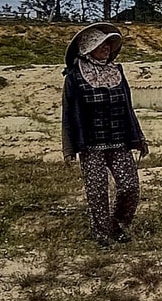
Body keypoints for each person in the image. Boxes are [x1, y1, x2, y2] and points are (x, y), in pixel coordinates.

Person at [61, 22, 148, 247]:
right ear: (89, 47)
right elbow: (69, 113)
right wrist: (69, 147)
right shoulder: (74, 75)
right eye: (102, 45)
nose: (107, 48)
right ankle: (101, 234)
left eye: (109, 45)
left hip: (119, 141)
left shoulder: (116, 72)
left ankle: (117, 225)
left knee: (130, 186)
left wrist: (138, 137)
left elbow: (128, 107)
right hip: (90, 144)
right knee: (97, 191)